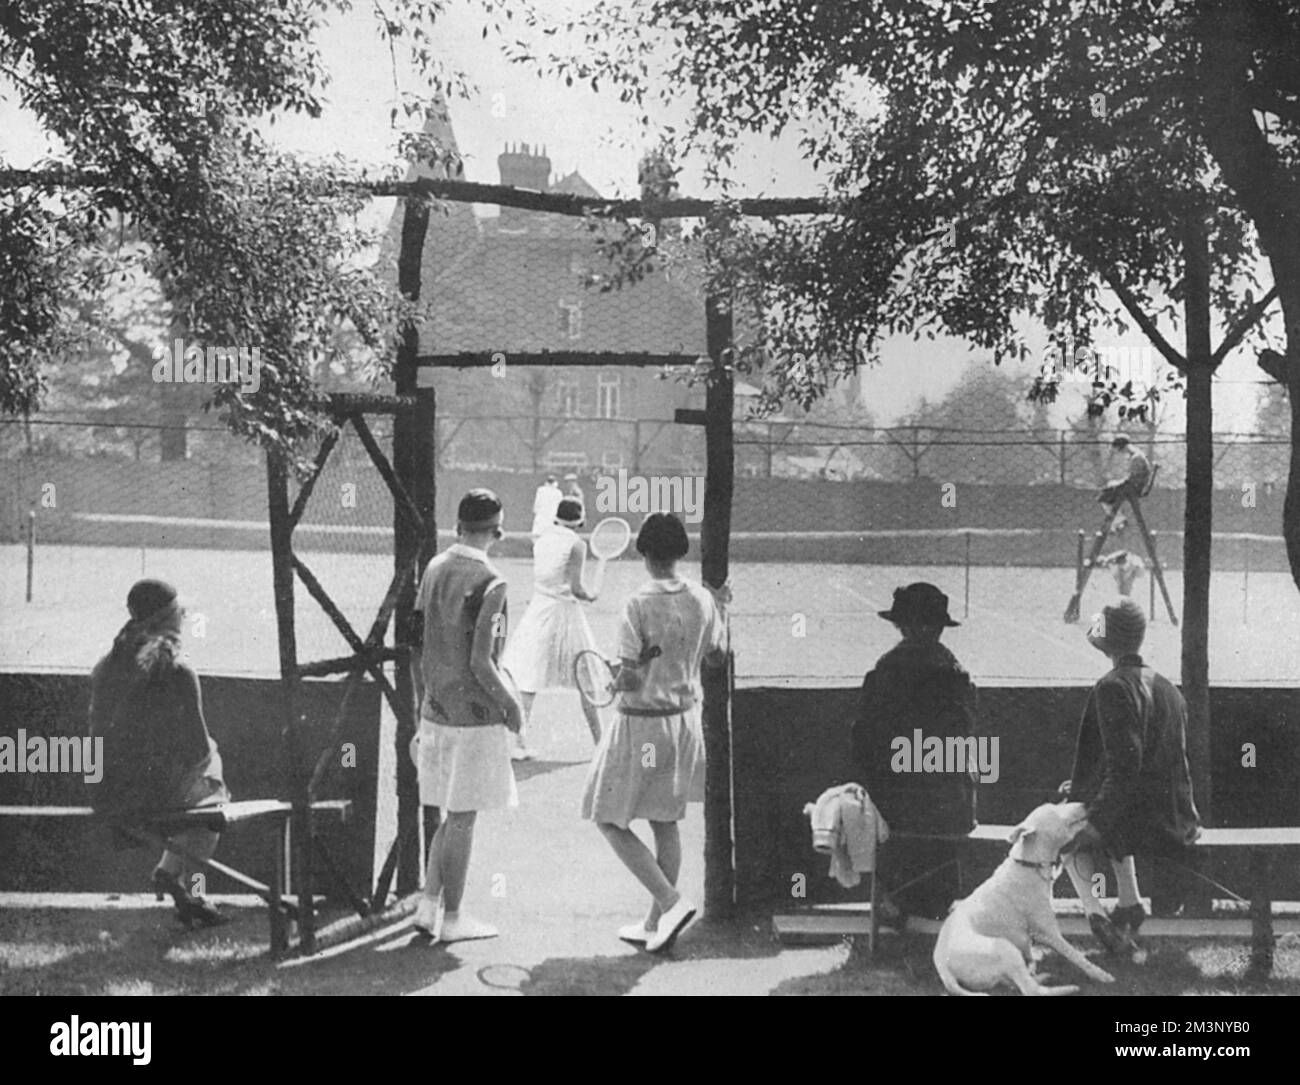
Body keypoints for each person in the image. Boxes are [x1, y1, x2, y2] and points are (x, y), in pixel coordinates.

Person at [581, 512, 729, 953]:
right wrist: (719, 608)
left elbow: (629, 679)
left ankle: (669, 901)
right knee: (665, 821)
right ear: (679, 552)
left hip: (641, 728)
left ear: (644, 552)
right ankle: (654, 925)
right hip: (684, 725)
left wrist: (610, 679)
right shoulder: (703, 599)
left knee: (607, 817)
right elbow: (717, 659)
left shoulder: (637, 604)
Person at [410, 489, 524, 943]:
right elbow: (483, 662)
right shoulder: (492, 582)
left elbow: (417, 646)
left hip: (435, 713)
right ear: (497, 529)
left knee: (448, 816)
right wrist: (512, 705)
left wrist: (424, 707)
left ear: (458, 525)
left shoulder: (433, 569)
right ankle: (454, 918)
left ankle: (428, 904)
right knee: (462, 818)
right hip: (474, 720)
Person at [1060, 598, 1201, 957]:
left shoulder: (1112, 686)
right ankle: (1128, 901)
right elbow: (1157, 762)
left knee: (1066, 830)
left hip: (1142, 823)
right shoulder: (1169, 687)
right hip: (1177, 818)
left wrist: (1094, 821)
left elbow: (1126, 768)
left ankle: (1096, 912)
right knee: (1093, 805)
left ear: (1106, 642)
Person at [88, 579, 230, 929]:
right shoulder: (179, 670)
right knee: (213, 784)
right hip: (153, 798)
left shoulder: (107, 665)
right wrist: (212, 752)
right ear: (172, 618)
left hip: (109, 793)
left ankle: (171, 874)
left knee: (202, 790)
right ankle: (191, 888)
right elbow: (197, 748)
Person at [851, 582, 979, 922]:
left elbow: (864, 740)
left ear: (902, 626)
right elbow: (965, 743)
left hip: (899, 805)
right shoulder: (957, 674)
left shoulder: (886, 670)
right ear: (939, 628)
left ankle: (896, 902)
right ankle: (930, 901)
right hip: (950, 807)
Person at [502, 497, 603, 759]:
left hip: (539, 607)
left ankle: (519, 745)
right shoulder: (577, 544)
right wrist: (591, 595)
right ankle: (601, 745)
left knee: (527, 678)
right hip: (563, 611)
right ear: (579, 519)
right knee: (587, 679)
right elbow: (577, 588)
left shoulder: (543, 538)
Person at [1098, 435, 1152, 526]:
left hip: (1135, 488)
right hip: (1136, 485)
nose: (1122, 453)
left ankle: (1119, 520)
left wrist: (1119, 483)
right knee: (1110, 485)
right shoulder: (1137, 455)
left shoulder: (1136, 458)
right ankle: (1118, 520)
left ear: (1123, 447)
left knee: (1103, 495)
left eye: (1120, 450)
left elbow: (1133, 479)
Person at [531, 474, 562, 540]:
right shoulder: (557, 492)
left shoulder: (541, 490)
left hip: (546, 516)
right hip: (548, 516)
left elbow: (536, 504)